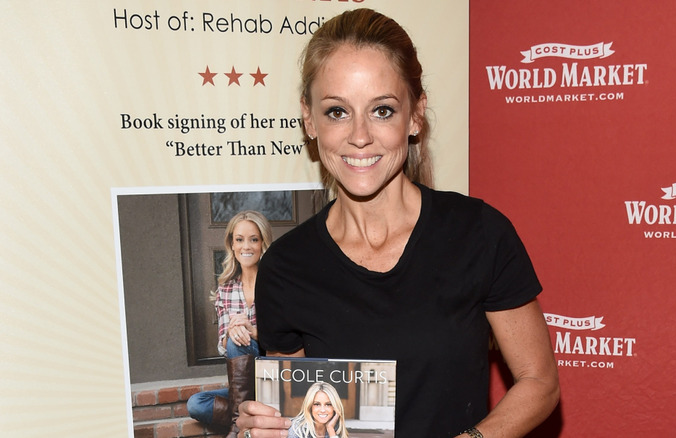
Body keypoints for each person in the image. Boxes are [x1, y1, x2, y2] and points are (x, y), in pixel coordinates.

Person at [238, 8, 559, 438]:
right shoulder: (284, 268)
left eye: (382, 110)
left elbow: (540, 382)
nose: (360, 135)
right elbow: (297, 418)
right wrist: (265, 428)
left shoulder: (479, 233)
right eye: (337, 112)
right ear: (309, 119)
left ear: (415, 114)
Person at [186, 210, 273, 437]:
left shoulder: (276, 283)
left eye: (254, 239)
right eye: (239, 239)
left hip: (271, 375)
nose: (246, 246)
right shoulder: (225, 289)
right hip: (245, 387)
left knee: (240, 339)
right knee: (196, 403)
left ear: (263, 243)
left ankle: (238, 427)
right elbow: (224, 346)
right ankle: (248, 419)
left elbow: (288, 339)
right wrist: (233, 330)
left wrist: (253, 332)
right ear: (232, 245)